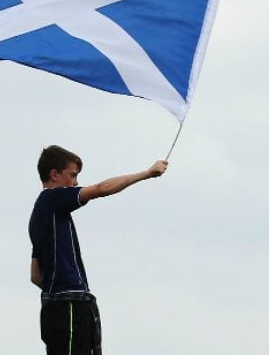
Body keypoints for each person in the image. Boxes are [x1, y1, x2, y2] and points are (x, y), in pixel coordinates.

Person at [29, 145, 168, 355]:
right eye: (72, 175)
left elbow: (36, 275)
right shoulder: (52, 198)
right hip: (69, 307)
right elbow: (102, 189)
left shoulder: (42, 215)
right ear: (54, 174)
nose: (76, 182)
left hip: (63, 308)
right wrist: (146, 174)